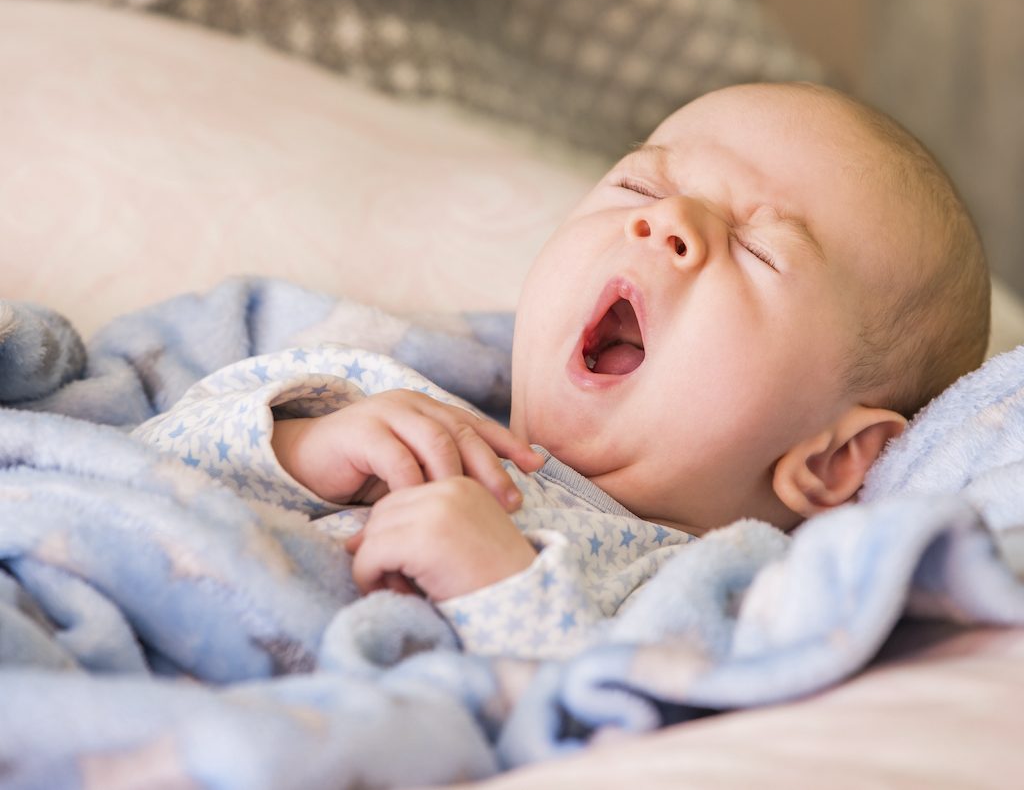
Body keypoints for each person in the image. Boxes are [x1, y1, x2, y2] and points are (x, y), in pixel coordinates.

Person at [135, 82, 991, 658]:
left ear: (836, 460)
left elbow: (629, 725)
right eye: (637, 187)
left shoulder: (706, 584)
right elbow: (138, 461)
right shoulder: (389, 394)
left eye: (762, 250)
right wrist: (297, 447)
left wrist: (499, 586)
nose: (668, 222)